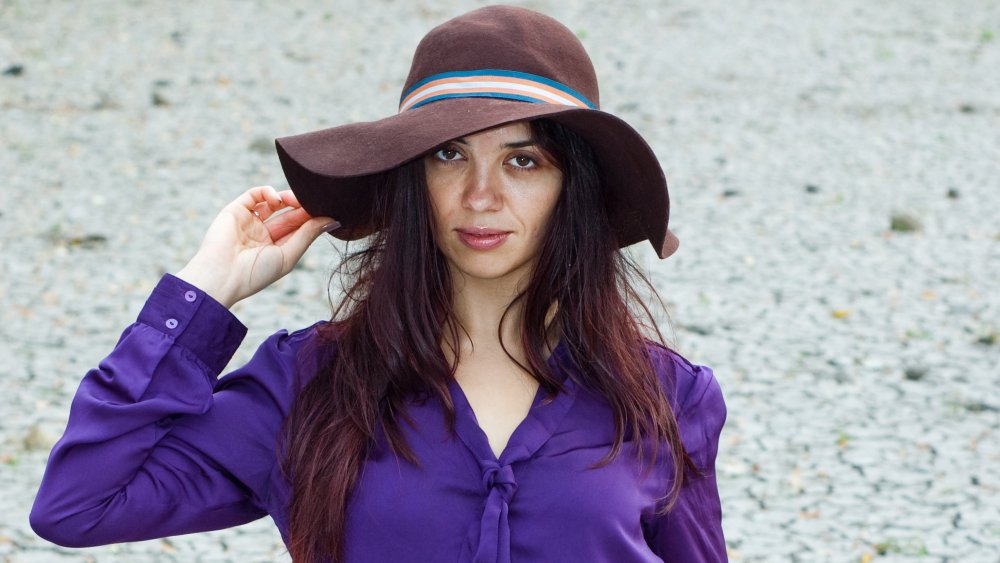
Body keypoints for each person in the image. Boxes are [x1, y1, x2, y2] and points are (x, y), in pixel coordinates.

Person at [30, 5, 726, 562]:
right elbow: (78, 504)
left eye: (524, 160)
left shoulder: (666, 398)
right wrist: (207, 291)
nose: (481, 195)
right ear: (411, 177)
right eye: (450, 154)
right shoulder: (308, 384)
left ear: (571, 188)